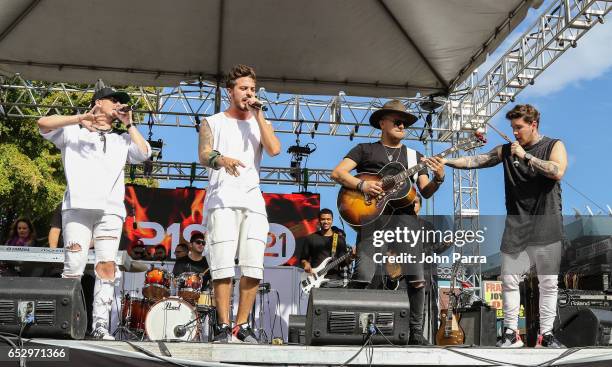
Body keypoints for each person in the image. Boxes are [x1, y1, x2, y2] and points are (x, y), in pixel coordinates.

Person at [438, 104, 567, 348]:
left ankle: (546, 335)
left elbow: (557, 170)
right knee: (508, 280)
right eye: (512, 128)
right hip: (517, 224)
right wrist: (445, 161)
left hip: (547, 223)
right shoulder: (506, 151)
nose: (515, 132)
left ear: (533, 125)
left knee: (548, 283)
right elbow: (476, 160)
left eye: (519, 127)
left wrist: (526, 156)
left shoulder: (553, 145)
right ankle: (510, 333)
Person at [37, 81, 151, 340]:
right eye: (115, 100)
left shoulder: (122, 138)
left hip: (110, 211)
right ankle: (67, 323)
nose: (120, 105)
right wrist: (79, 118)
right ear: (99, 102)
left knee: (107, 267)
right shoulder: (72, 132)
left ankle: (100, 325)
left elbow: (144, 154)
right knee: (73, 266)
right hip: (77, 208)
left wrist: (130, 123)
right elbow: (42, 124)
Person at [331, 99, 446, 345]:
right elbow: (338, 173)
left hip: (405, 220)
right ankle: (349, 328)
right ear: (382, 122)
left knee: (416, 277)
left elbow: (425, 191)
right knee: (363, 274)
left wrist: (439, 178)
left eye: (405, 121)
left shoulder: (416, 156)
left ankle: (416, 333)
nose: (402, 124)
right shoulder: (364, 150)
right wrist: (362, 184)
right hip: (372, 219)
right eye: (396, 119)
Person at [198, 64, 281, 343]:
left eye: (252, 89)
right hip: (221, 200)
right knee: (222, 265)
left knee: (253, 266)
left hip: (253, 200)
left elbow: (274, 150)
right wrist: (222, 159)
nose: (249, 93)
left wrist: (259, 115)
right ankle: (223, 324)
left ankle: (241, 325)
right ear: (230, 91)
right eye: (244, 88)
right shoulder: (213, 121)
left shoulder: (260, 122)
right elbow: (204, 154)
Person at [300, 209, 351, 288]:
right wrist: (305, 264)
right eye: (323, 219)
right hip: (315, 280)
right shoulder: (310, 238)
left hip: (335, 281)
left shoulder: (340, 239)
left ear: (332, 220)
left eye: (328, 219)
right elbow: (303, 259)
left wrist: (352, 257)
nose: (326, 222)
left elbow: (343, 263)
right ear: (319, 221)